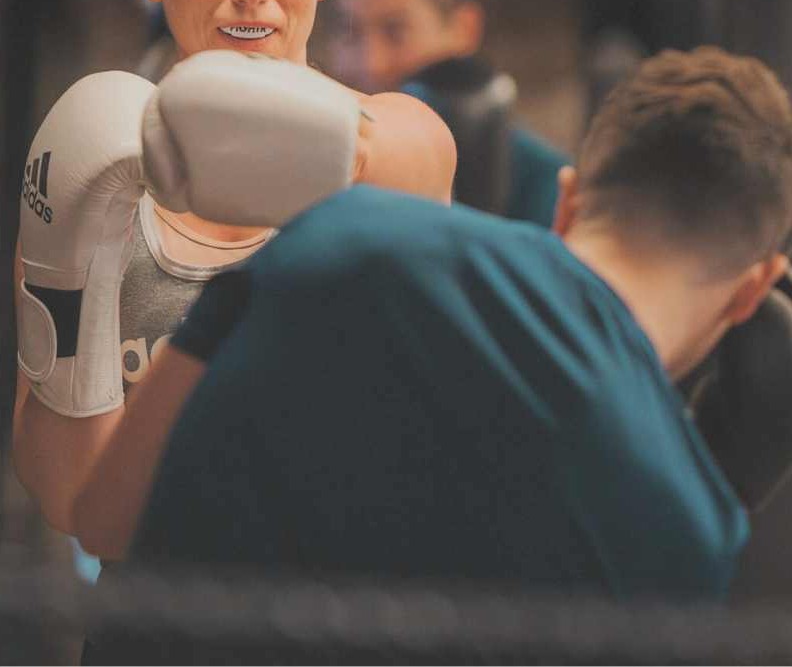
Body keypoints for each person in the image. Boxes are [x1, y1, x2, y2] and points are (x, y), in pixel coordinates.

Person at [74, 48, 792, 622]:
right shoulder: (691, 538)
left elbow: (104, 512)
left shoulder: (351, 230)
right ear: (755, 287)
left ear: (569, 197)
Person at [12, 0, 456, 563]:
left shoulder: (398, 133)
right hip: (157, 618)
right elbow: (73, 503)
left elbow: (410, 163)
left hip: (352, 618)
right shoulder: (95, 164)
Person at [326, 0, 568, 225]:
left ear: (464, 28)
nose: (371, 63)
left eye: (396, 32)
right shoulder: (316, 163)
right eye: (349, 33)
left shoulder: (544, 183)